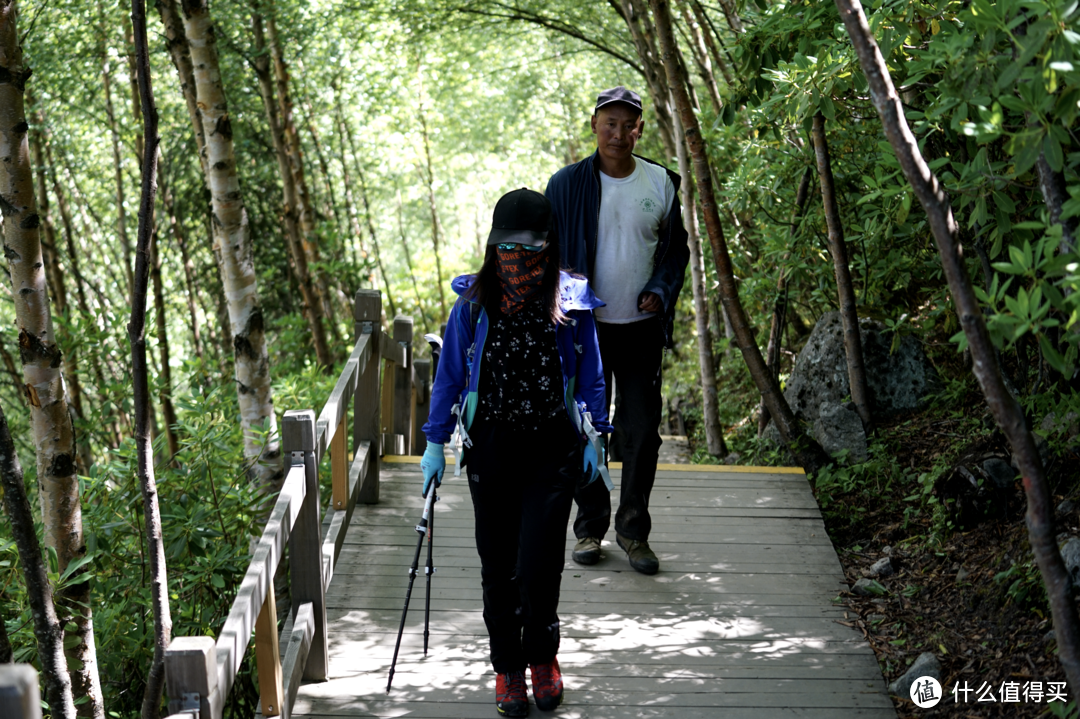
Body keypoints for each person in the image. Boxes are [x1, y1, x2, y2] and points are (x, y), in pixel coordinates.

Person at [421, 188, 611, 718]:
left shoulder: (571, 301)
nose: (514, 260)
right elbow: (450, 376)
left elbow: (592, 373)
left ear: (547, 247)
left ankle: (543, 659)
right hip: (492, 447)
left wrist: (598, 434)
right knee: (498, 565)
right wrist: (436, 442)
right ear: (493, 246)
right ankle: (508, 670)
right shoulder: (475, 303)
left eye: (525, 250)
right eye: (505, 248)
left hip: (553, 446)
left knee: (539, 565)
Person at [545, 86, 690, 576]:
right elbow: (546, 253)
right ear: (594, 124)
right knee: (585, 427)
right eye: (610, 123)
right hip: (585, 328)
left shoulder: (660, 183)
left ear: (640, 129)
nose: (619, 133)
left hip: (641, 328)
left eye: (629, 125)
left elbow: (675, 251)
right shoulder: (565, 185)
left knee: (642, 432)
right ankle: (589, 527)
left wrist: (660, 289)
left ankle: (634, 532)